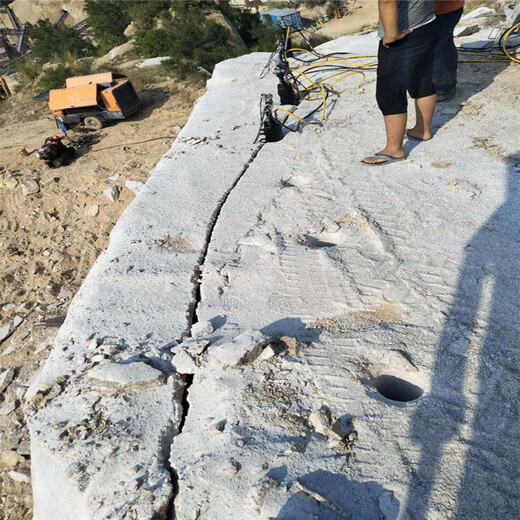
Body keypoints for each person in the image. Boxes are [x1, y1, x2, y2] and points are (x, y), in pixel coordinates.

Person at [363, 0, 437, 165]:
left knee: (389, 89)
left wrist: (391, 33)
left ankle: (394, 149)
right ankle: (422, 130)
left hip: (403, 30)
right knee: (422, 77)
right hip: (427, 21)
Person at [432, 0, 465, 101]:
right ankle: (442, 86)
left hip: (444, 10)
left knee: (438, 48)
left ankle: (444, 88)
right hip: (432, 12)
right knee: (442, 45)